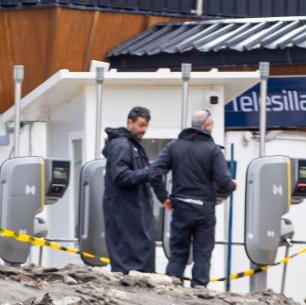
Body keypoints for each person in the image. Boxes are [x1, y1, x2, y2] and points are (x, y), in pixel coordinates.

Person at [148, 108, 236, 287]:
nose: (212, 128)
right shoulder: (213, 151)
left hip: (180, 207)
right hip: (204, 210)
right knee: (203, 253)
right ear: (205, 126)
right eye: (212, 125)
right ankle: (199, 291)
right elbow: (224, 182)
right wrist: (233, 185)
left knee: (178, 253)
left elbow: (154, 173)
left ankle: (170, 290)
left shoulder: (174, 146)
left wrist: (164, 198)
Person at [100, 106, 167, 273]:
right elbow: (120, 176)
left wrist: (164, 197)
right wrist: (148, 172)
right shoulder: (122, 145)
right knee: (130, 260)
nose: (143, 130)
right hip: (126, 213)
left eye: (146, 126)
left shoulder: (131, 145)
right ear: (130, 122)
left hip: (133, 213)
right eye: (141, 125)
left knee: (139, 256)